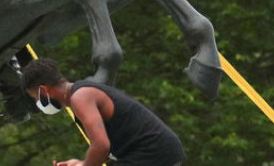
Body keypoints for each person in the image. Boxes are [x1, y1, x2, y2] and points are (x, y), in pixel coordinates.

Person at [21, 58, 186, 166]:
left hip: (153, 153)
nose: (38, 103)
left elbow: (101, 146)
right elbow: (105, 151)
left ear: (44, 90)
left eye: (36, 97)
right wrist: (79, 164)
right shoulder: (81, 94)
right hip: (154, 153)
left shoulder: (81, 97)